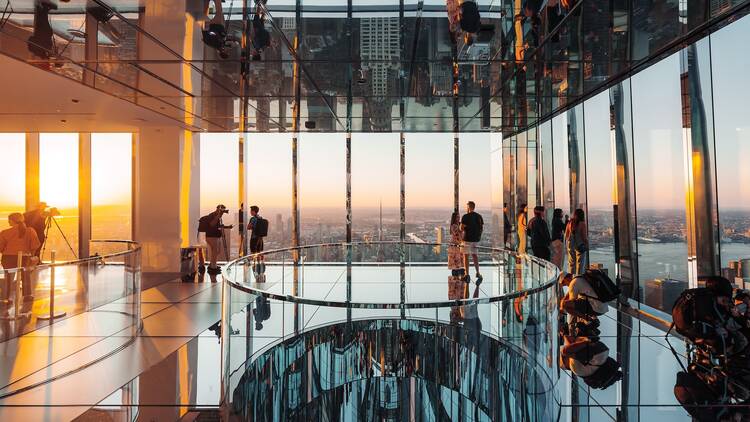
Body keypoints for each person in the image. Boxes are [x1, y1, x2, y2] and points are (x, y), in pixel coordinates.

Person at [0, 213, 41, 311]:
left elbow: (1, 247)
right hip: (25, 257)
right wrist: (30, 254)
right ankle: (27, 296)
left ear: (13, 221)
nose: (8, 221)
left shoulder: (5, 232)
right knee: (26, 276)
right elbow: (35, 245)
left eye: (9, 220)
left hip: (8, 257)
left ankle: (6, 298)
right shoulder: (30, 231)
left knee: (9, 278)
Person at [201, 205, 233, 275]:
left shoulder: (218, 216)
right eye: (222, 211)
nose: (222, 213)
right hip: (211, 236)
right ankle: (213, 267)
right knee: (215, 251)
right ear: (218, 209)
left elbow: (218, 226)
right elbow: (212, 224)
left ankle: (212, 265)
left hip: (215, 236)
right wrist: (218, 216)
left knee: (216, 251)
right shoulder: (212, 215)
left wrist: (227, 227)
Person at [460, 201, 484, 283]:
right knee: (475, 256)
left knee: (466, 256)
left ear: (468, 207)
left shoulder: (465, 217)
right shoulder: (479, 216)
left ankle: (467, 274)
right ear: (474, 207)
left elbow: (461, 228)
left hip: (467, 239)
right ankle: (477, 272)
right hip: (475, 239)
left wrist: (466, 226)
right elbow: (481, 228)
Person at [565, 208, 588, 274]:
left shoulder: (570, 222)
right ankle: (578, 280)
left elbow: (566, 235)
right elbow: (584, 237)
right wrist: (586, 243)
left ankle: (572, 280)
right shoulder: (582, 224)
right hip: (580, 245)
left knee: (571, 264)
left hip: (570, 245)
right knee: (580, 265)